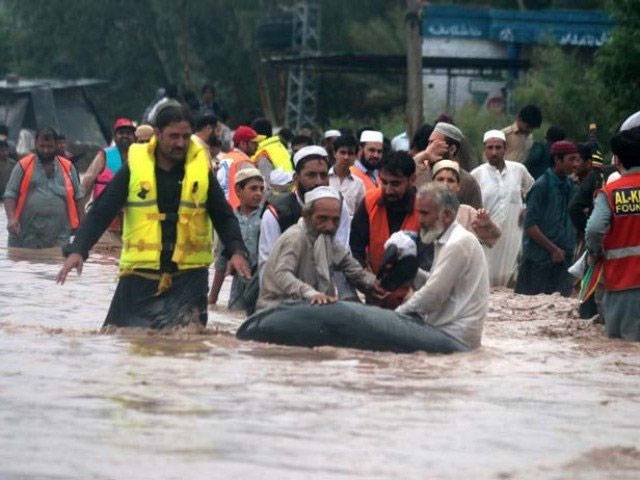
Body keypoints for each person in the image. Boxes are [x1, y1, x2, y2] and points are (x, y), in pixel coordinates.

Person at [56, 105, 250, 329]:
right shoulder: (136, 167)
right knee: (121, 340)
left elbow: (224, 216)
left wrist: (236, 250)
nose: (180, 143)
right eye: (173, 136)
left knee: (189, 348)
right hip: (139, 279)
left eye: (186, 137)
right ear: (158, 135)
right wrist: (79, 249)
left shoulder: (201, 170)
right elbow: (102, 210)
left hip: (188, 281)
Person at [257, 186, 385, 310]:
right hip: (277, 309)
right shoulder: (295, 237)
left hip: (310, 308)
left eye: (335, 220)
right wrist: (311, 293)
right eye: (322, 218)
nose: (330, 226)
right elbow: (281, 274)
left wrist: (373, 284)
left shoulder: (325, 237)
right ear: (307, 215)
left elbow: (349, 265)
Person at [395, 183, 490, 350]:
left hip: (454, 335)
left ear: (446, 215)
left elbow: (433, 295)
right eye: (419, 213)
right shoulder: (448, 239)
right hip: (451, 331)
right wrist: (409, 269)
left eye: (424, 213)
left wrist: (394, 317)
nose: (420, 220)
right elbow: (437, 284)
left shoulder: (458, 243)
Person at [258, 145, 351, 273]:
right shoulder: (275, 213)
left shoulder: (339, 205)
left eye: (323, 175)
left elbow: (341, 253)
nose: (319, 182)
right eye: (311, 175)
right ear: (296, 179)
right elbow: (268, 265)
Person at [585, 126, 640, 340]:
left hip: (623, 283)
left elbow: (594, 229)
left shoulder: (610, 193)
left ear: (617, 160)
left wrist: (595, 252)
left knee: (622, 350)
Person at [350, 151, 419, 307]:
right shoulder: (369, 201)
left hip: (414, 296)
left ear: (412, 180)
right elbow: (355, 249)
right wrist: (367, 281)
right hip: (376, 292)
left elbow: (429, 261)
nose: (388, 190)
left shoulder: (424, 208)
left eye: (395, 184)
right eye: (384, 182)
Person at [515, 140, 580, 296]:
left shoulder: (571, 187)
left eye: (577, 159)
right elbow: (530, 225)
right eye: (571, 159)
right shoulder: (541, 186)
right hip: (539, 262)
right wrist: (553, 249)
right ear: (558, 160)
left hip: (563, 261)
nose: (576, 164)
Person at [471, 130, 534, 286]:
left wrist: (526, 208)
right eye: (490, 148)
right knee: (486, 278)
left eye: (498, 147)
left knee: (512, 280)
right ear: (484, 150)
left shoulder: (519, 170)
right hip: (487, 239)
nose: (494, 152)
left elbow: (533, 192)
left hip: (513, 235)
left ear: (505, 148)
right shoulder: (476, 175)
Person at [4, 127, 82, 249]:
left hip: (60, 235)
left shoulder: (68, 167)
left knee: (56, 266)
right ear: (35, 144)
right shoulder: (23, 165)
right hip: (25, 234)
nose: (46, 150)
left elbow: (79, 197)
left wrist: (82, 226)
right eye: (42, 146)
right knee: (23, 266)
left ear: (56, 145)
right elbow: (10, 194)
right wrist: (11, 219)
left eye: (50, 146)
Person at [208, 167, 264, 312]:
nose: (258, 193)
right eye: (253, 188)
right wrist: (212, 300)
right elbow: (221, 262)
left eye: (261, 189)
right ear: (238, 190)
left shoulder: (267, 216)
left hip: (262, 283)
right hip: (238, 287)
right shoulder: (229, 221)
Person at [413, 122, 483, 209]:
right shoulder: (420, 173)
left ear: (452, 149)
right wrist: (422, 156)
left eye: (434, 144)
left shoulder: (468, 182)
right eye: (429, 143)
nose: (429, 149)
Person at [433, 160, 501, 247]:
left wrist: (488, 224)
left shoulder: (467, 212)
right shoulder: (423, 209)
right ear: (432, 183)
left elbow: (493, 239)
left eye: (451, 180)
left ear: (458, 187)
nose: (445, 184)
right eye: (440, 179)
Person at [81, 118, 136, 205]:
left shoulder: (139, 155)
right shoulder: (105, 154)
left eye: (129, 133)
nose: (125, 136)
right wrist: (81, 206)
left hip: (131, 210)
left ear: (134, 137)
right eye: (121, 133)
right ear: (114, 136)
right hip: (106, 209)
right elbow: (88, 180)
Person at [218, 126, 261, 208]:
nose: (257, 146)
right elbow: (257, 191)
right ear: (243, 144)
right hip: (240, 210)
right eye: (253, 143)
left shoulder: (225, 158)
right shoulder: (244, 162)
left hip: (225, 209)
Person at [251, 117, 293, 194]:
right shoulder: (280, 146)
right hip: (291, 192)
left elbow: (266, 186)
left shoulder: (263, 153)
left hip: (278, 199)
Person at [328, 135, 364, 217]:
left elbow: (360, 214)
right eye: (342, 152)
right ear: (334, 153)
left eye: (350, 153)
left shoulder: (359, 184)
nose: (346, 157)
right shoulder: (324, 179)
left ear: (356, 156)